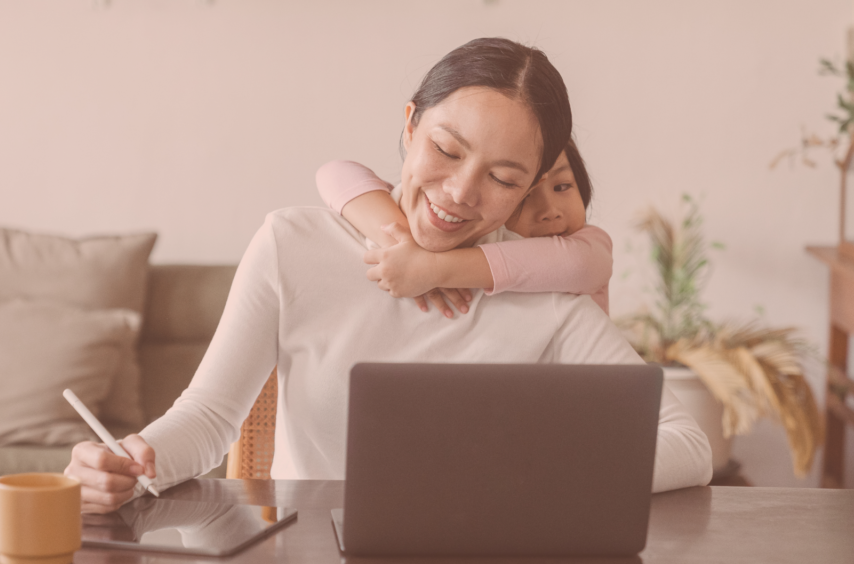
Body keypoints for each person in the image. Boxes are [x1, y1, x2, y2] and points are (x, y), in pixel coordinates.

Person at [65, 38, 713, 514]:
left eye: (504, 178)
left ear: (530, 188)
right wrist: (129, 461)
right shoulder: (294, 245)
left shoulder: (544, 294)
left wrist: (545, 474)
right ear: (408, 127)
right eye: (446, 150)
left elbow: (688, 444)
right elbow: (208, 420)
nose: (460, 193)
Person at [315, 137, 612, 317]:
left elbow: (578, 266)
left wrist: (433, 267)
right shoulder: (476, 236)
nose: (550, 212)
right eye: (525, 197)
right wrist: (401, 244)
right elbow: (335, 173)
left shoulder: (589, 245)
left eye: (563, 186)